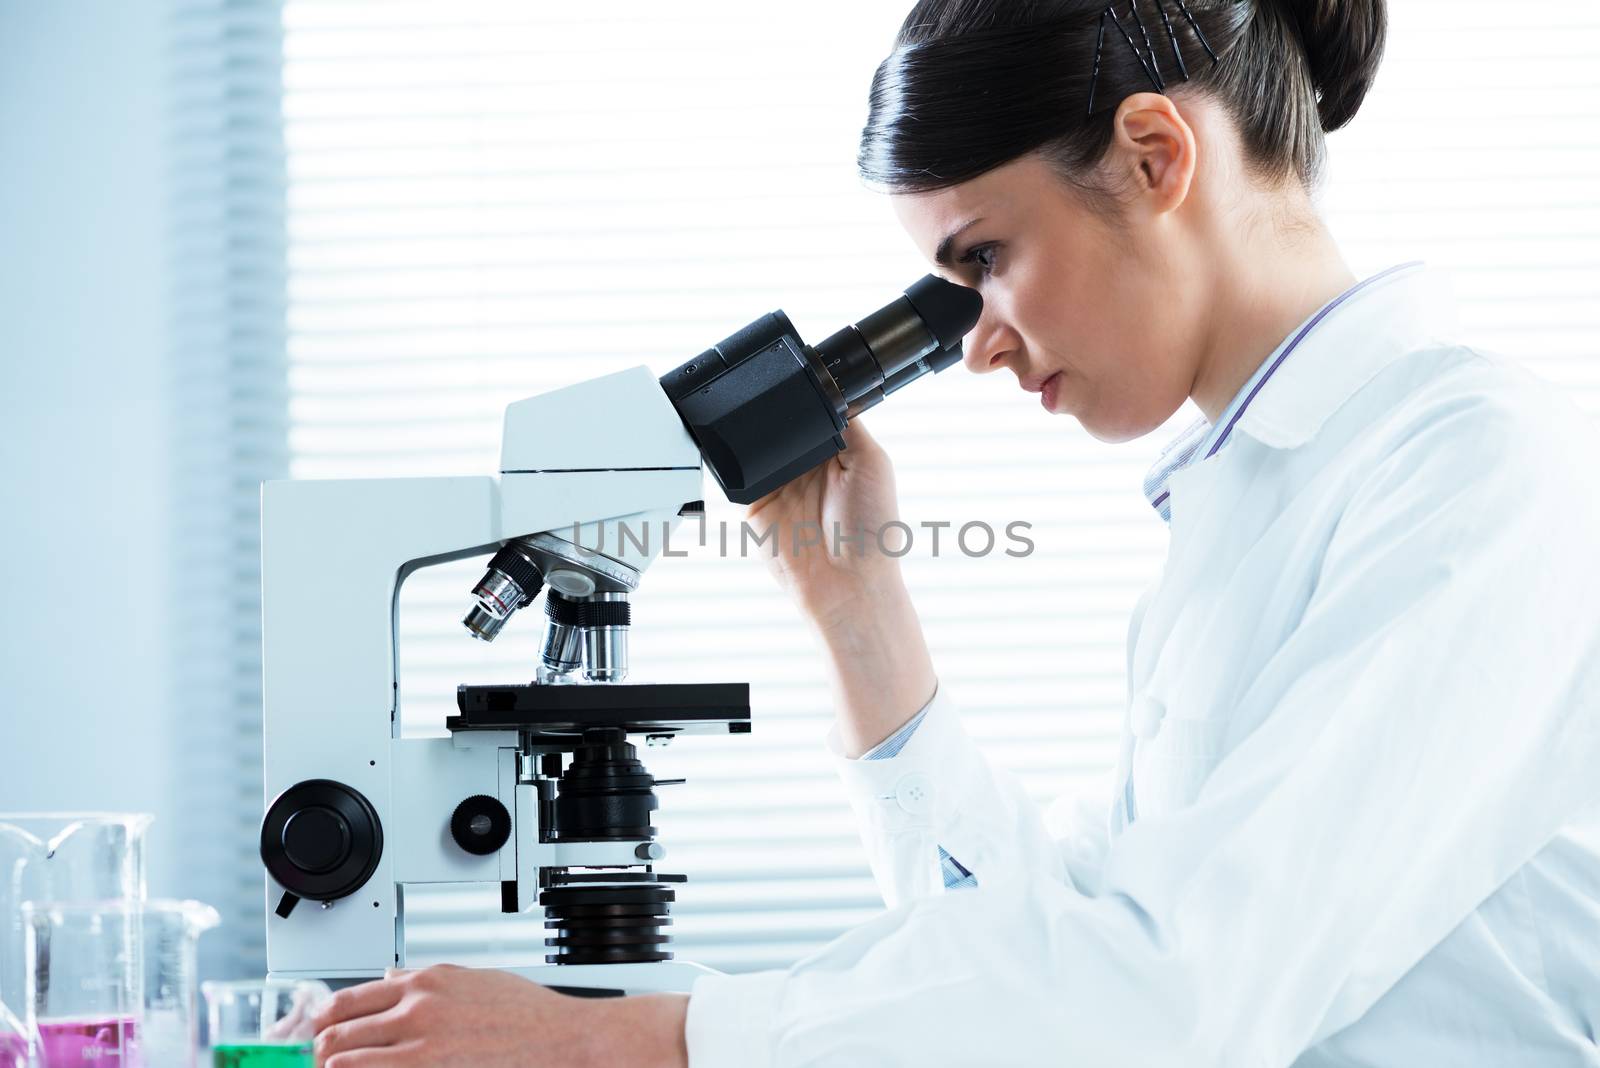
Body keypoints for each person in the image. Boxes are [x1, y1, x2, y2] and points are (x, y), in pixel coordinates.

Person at [310, 0, 1600, 1064]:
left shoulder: (1472, 466)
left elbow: (1172, 992)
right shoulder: (1243, 505)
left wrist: (623, 1044)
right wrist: (852, 604)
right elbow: (1032, 965)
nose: (977, 341)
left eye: (984, 257)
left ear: (1157, 156)